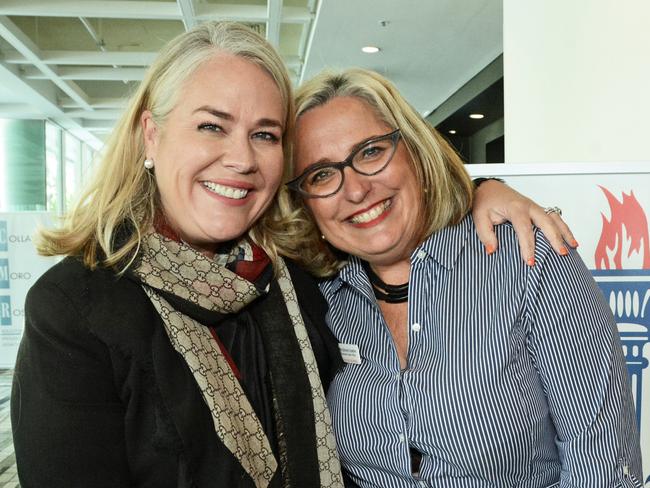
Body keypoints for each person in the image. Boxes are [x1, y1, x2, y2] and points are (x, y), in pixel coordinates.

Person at [11, 21, 576, 488]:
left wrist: (484, 191)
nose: (240, 159)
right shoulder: (75, 308)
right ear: (151, 136)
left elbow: (387, 208)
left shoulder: (296, 282)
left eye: (264, 134)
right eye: (212, 126)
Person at [284, 68, 643, 487]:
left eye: (370, 152)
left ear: (414, 151)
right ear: (305, 203)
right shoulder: (317, 295)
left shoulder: (527, 258)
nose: (356, 189)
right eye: (321, 175)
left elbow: (603, 464)